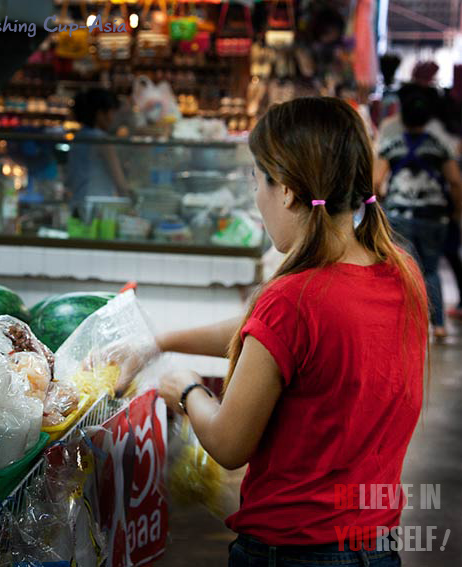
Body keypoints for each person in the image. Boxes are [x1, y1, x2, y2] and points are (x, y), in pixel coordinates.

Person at [113, 98, 428, 566]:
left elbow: (228, 444)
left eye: (257, 180)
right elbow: (266, 334)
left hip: (297, 553)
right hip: (376, 548)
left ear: (285, 191)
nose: (256, 198)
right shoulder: (400, 274)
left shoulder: (297, 298)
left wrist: (185, 389)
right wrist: (161, 341)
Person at [374, 83, 462, 338]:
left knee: (402, 270)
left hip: (399, 216)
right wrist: (456, 211)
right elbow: (455, 182)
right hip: (435, 218)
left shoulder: (391, 145)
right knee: (431, 269)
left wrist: (383, 203)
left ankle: (404, 325)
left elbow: (376, 182)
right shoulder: (439, 146)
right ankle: (439, 325)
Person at [65, 88, 132, 217]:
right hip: (97, 211)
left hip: (77, 206)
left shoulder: (78, 137)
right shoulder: (102, 141)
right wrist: (131, 203)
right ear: (100, 114)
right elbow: (120, 183)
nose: (114, 118)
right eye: (112, 112)